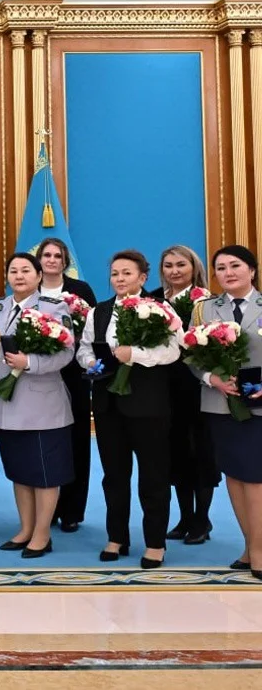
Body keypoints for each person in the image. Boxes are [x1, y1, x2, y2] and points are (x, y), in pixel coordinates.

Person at [78, 250, 180, 569]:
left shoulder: (160, 308)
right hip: (108, 404)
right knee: (114, 475)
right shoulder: (99, 311)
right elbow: (84, 348)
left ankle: (155, 542)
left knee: (153, 475)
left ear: (142, 277)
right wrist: (90, 362)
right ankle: (117, 537)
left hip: (148, 405)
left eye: (126, 273)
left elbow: (172, 350)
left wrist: (133, 354)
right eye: (115, 274)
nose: (119, 279)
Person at [0, 253, 74, 560]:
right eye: (13, 271)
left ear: (38, 275)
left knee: (44, 473)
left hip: (41, 405)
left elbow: (65, 354)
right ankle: (26, 528)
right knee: (19, 470)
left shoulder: (54, 308)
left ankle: (42, 533)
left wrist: (29, 362)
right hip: (4, 403)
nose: (19, 276)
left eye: (25, 271)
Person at [194, 245, 262, 578]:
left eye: (235, 265)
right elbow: (192, 355)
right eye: (220, 268)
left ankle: (260, 550)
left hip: (258, 404)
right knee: (234, 475)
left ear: (252, 270)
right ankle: (249, 546)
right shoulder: (205, 309)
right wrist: (212, 378)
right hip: (220, 404)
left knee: (256, 477)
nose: (228, 273)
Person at [152, 244, 218, 545]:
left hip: (198, 388)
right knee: (174, 454)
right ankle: (185, 517)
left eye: (181, 265)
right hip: (163, 389)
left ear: (194, 267)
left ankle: (202, 519)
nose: (174, 271)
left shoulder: (206, 302)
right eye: (168, 265)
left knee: (199, 454)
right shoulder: (152, 300)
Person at [38, 237, 98, 534]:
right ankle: (44, 509)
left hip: (74, 375)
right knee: (44, 443)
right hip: (37, 376)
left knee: (76, 440)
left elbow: (93, 331)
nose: (51, 260)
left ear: (65, 261)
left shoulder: (80, 291)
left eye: (57, 256)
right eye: (46, 255)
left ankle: (72, 509)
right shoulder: (29, 288)